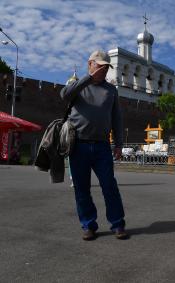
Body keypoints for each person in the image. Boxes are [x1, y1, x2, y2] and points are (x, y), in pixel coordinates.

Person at [60, 50, 128, 241]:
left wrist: (119, 144)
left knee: (109, 186)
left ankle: (118, 224)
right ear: (90, 64)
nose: (104, 71)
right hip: (78, 144)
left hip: (102, 146)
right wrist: (88, 79)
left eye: (106, 67)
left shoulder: (111, 90)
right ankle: (89, 225)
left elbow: (117, 118)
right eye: (100, 66)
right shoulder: (77, 85)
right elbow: (64, 95)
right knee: (81, 189)